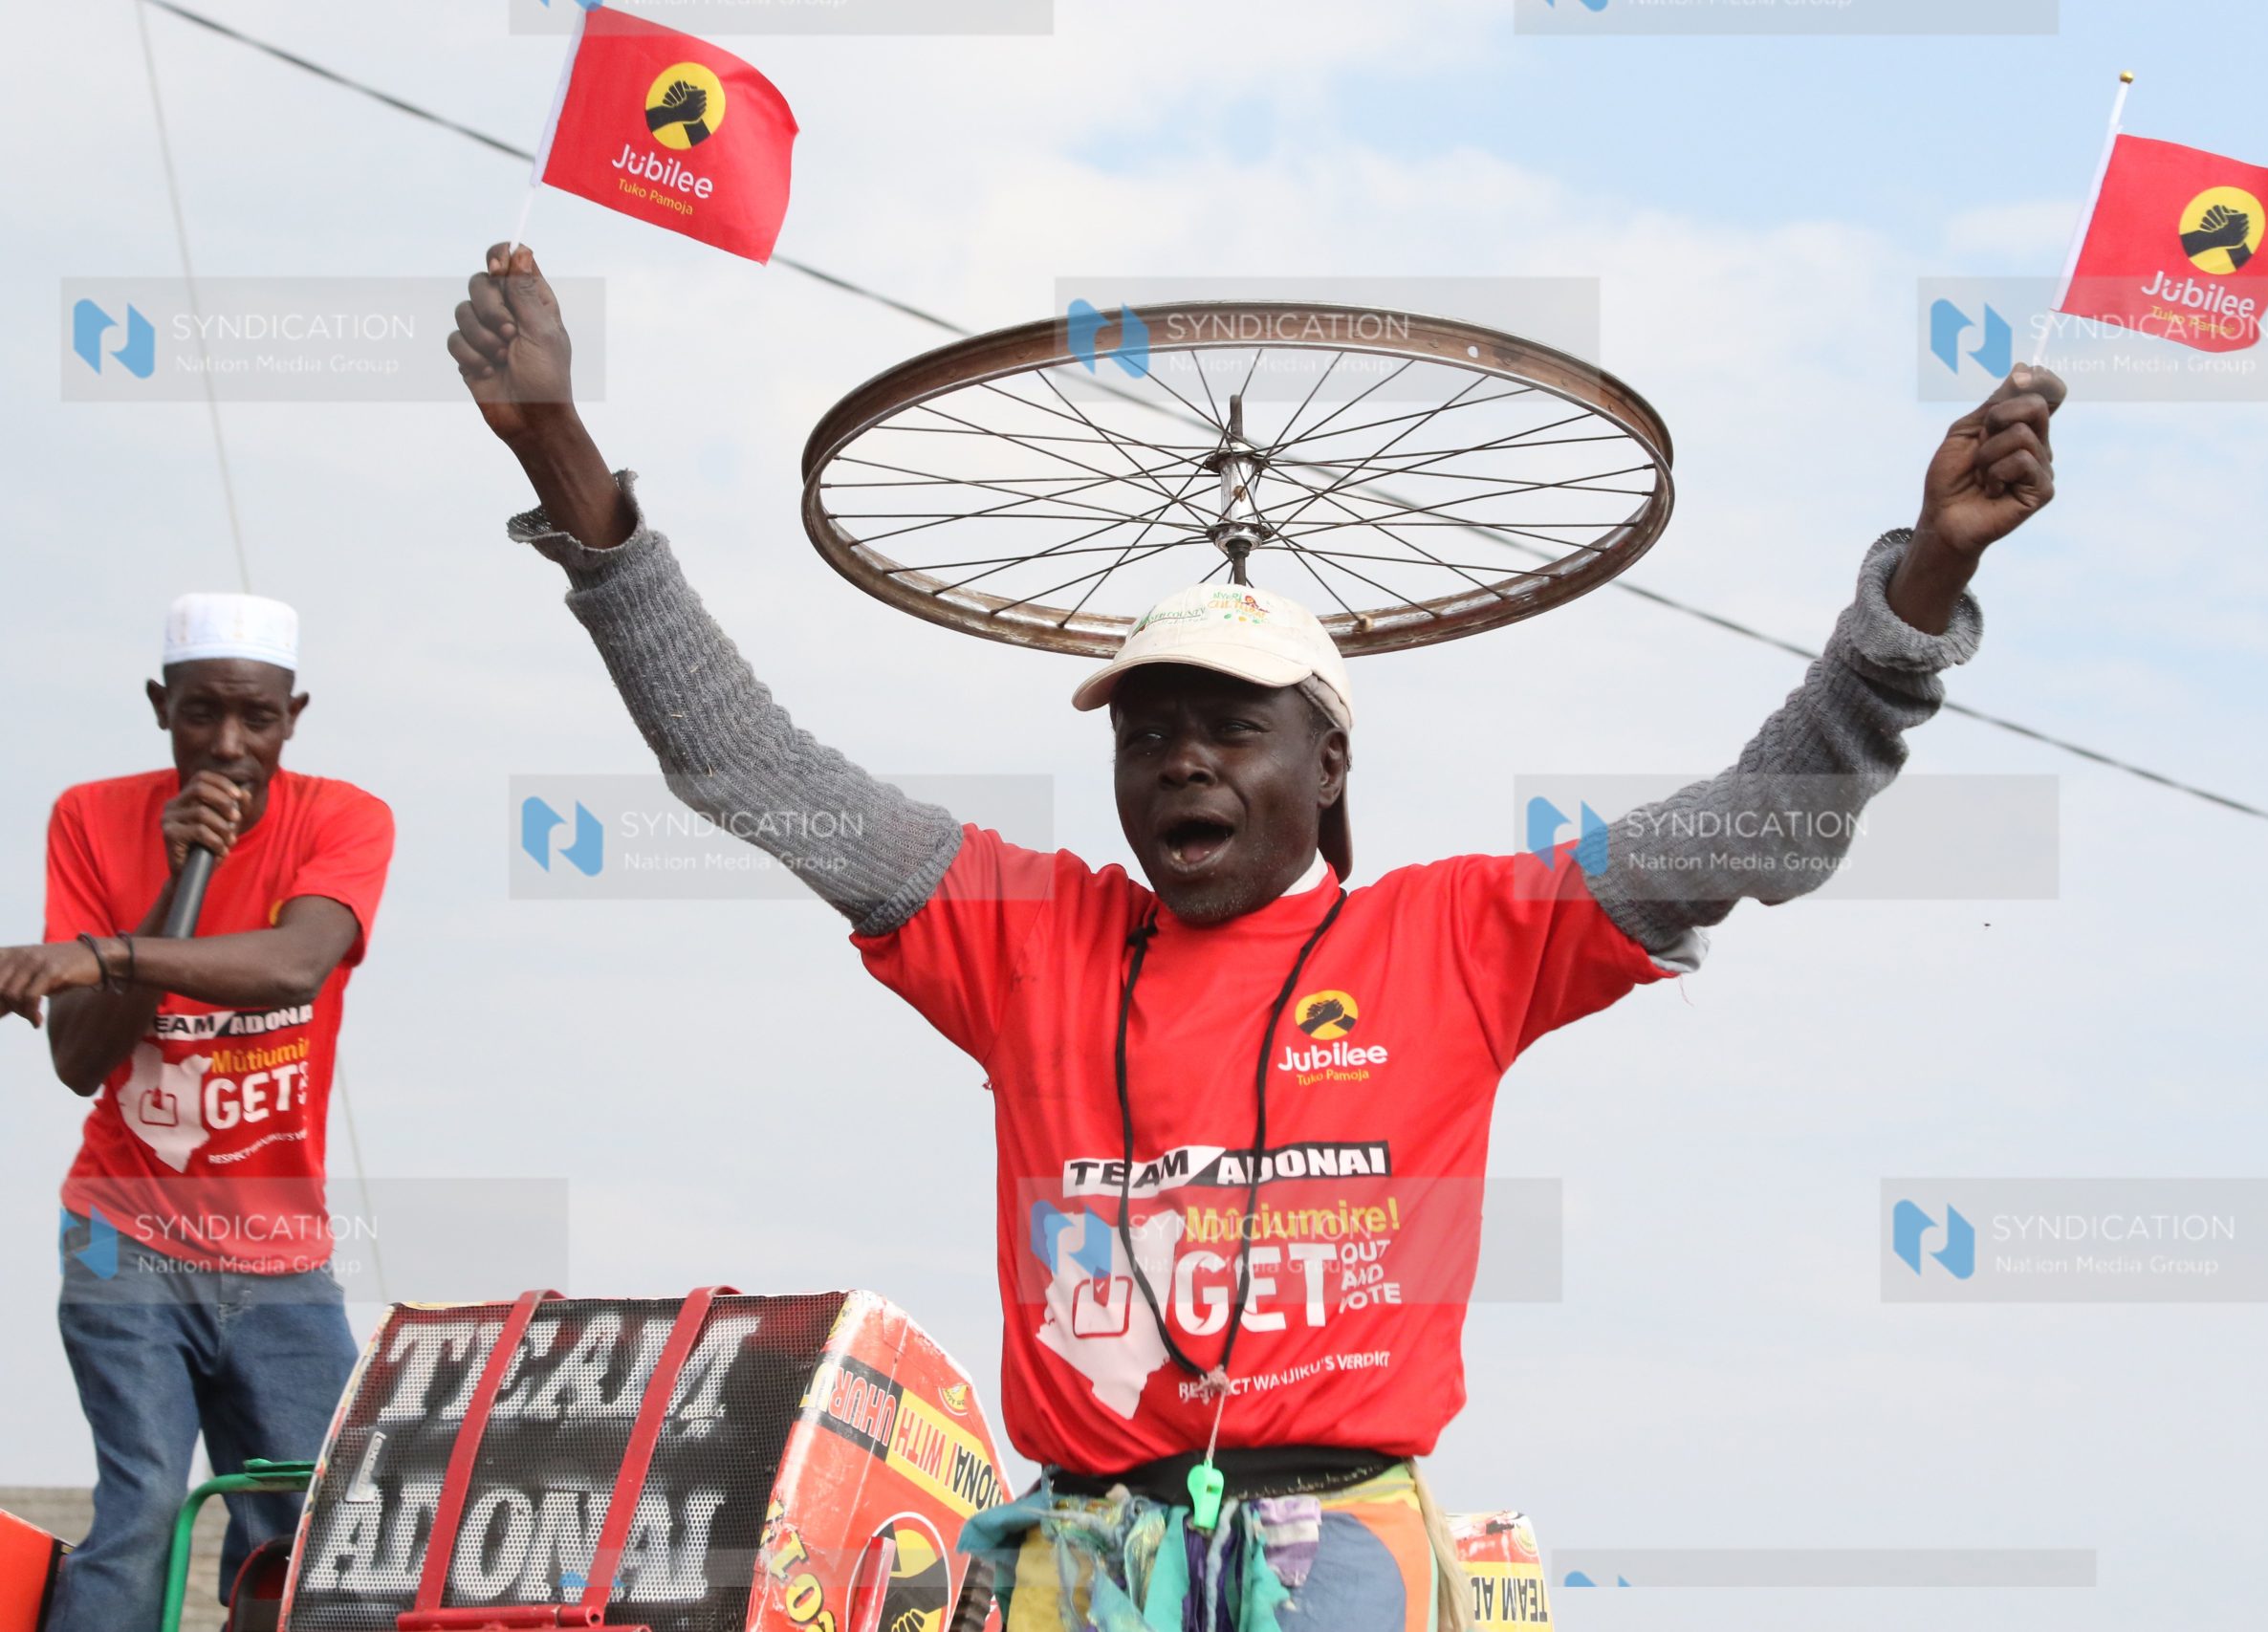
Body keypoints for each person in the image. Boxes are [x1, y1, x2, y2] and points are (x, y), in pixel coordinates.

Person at [449, 244, 2063, 1632]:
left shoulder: (1464, 937)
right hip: (1083, 1548)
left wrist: (1921, 582)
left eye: (1229, 727)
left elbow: (1768, 820)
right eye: (1146, 733)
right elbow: (749, 769)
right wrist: (562, 461)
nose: (1181, 763)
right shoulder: (1029, 935)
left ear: (1329, 763)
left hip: (1341, 1544)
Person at [0, 594, 394, 1629]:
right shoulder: (90, 816)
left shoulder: (343, 818)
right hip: (117, 1237)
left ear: (293, 715)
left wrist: (104, 955)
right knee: (143, 1516)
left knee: (311, 1539)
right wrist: (174, 883)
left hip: (281, 1256)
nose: (226, 745)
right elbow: (80, 1059)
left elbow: (294, 967)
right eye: (199, 714)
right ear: (159, 707)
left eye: (255, 718)